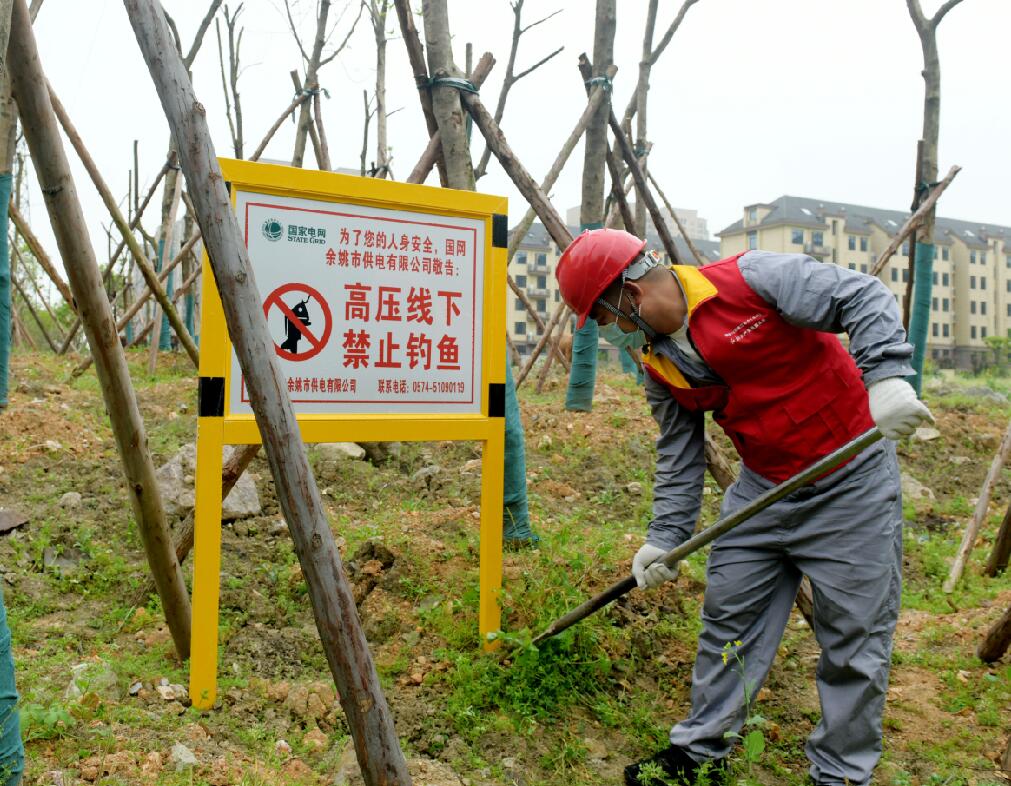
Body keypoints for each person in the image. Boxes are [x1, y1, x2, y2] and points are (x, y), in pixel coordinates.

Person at [554, 229, 933, 786]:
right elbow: (680, 457)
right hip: (764, 492)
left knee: (854, 639)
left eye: (610, 320)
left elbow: (863, 295)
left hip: (850, 481)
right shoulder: (659, 364)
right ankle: (698, 754)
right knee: (728, 618)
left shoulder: (750, 280)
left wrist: (887, 377)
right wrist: (665, 538)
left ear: (629, 295)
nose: (616, 335)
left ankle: (842, 774)